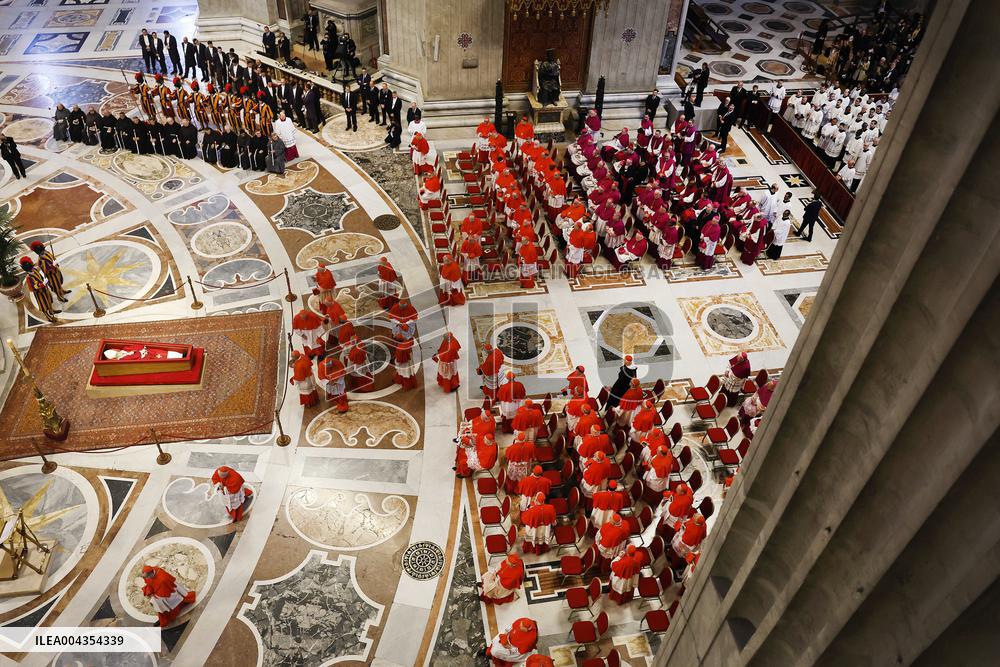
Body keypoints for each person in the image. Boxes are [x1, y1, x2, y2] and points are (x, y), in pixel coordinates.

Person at [19, 257, 58, 322]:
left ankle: (51, 310)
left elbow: (40, 276)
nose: (31, 269)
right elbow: (33, 287)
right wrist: (42, 284)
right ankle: (48, 316)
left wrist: (45, 280)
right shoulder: (29, 278)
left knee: (49, 300)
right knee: (44, 305)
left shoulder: (35, 270)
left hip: (44, 289)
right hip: (39, 293)